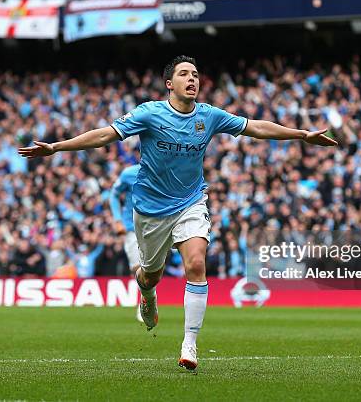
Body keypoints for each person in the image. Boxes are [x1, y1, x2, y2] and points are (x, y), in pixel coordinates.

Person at [18, 55, 337, 370]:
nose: (193, 79)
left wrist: (302, 135)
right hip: (150, 210)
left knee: (196, 263)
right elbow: (105, 135)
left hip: (190, 202)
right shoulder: (149, 113)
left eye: (196, 74)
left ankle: (189, 343)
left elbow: (255, 127)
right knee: (150, 274)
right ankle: (147, 294)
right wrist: (57, 147)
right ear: (170, 84)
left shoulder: (209, 116)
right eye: (185, 74)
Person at [109, 163, 145, 322]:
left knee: (152, 267)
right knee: (137, 267)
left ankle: (147, 298)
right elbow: (114, 194)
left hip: (158, 225)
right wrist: (117, 219)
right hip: (132, 226)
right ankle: (145, 301)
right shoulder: (129, 173)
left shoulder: (165, 170)